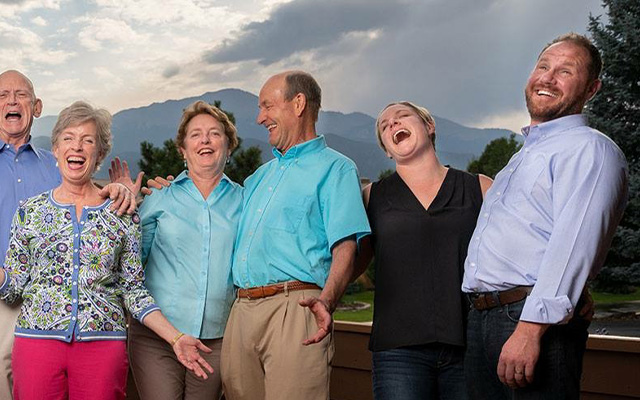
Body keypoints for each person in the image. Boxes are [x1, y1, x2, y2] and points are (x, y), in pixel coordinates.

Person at [0, 101, 213, 400]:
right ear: (56, 150)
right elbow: (12, 289)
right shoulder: (30, 212)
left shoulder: (121, 213)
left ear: (99, 154)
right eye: (68, 139)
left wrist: (175, 338)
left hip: (103, 347)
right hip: (36, 347)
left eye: (87, 140)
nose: (77, 147)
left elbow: (135, 292)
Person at [0, 70, 140, 400]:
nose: (13, 101)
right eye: (3, 95)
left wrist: (119, 192)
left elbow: (93, 210)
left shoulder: (61, 163)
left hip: (57, 297)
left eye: (22, 95)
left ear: (37, 106)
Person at [462, 33, 627, 399]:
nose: (548, 78)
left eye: (565, 71)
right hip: (484, 320)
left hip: (528, 322)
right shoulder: (521, 158)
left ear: (591, 89)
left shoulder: (590, 150)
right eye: (543, 67)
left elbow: (573, 245)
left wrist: (530, 329)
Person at [220, 71, 370, 400]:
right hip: (241, 312)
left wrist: (327, 301)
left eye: (267, 106)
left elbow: (346, 246)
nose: (260, 118)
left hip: (295, 307)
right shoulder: (257, 178)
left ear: (298, 103)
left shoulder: (336, 168)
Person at [355, 101, 492, 400]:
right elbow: (349, 263)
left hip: (469, 344)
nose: (392, 123)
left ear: (429, 127)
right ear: (387, 151)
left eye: (402, 116)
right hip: (397, 352)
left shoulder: (480, 188)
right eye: (384, 125)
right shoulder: (370, 197)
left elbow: (518, 254)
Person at [131, 100, 242, 399]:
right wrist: (126, 209)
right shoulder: (159, 197)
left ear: (229, 147)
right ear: (182, 149)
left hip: (216, 341)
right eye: (195, 134)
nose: (205, 140)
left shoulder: (245, 201)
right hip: (157, 337)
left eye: (214, 133)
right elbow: (131, 261)